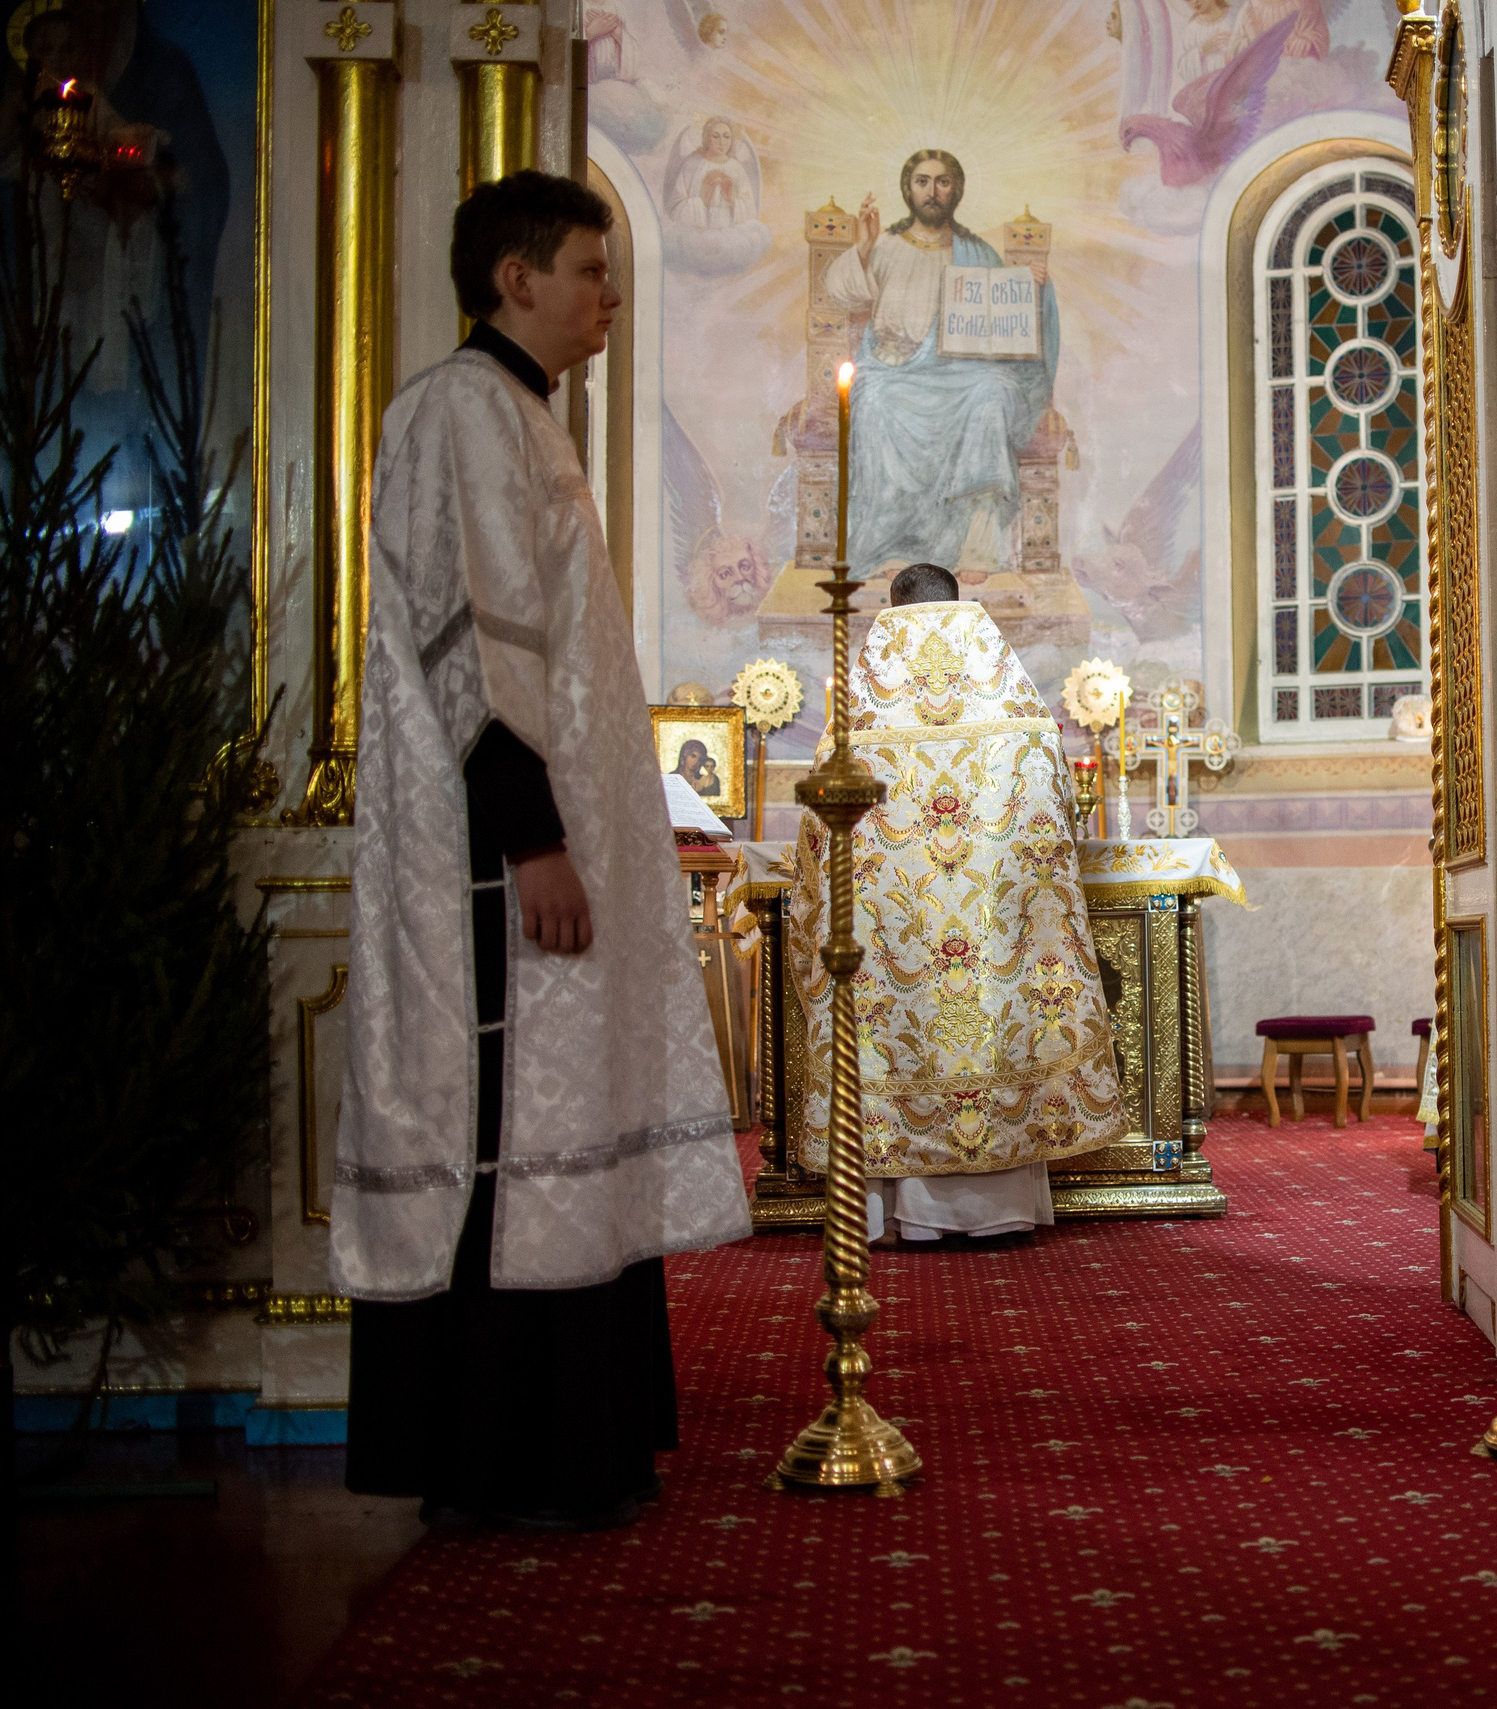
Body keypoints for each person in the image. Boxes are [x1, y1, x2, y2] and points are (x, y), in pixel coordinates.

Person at [337, 170, 752, 1530]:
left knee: (559, 1119)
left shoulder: (519, 416)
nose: (609, 296)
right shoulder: (459, 407)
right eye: (588, 268)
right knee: (504, 1127)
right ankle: (498, 1460)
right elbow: (470, 639)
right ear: (514, 277)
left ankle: (573, 1448)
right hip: (493, 859)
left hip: (536, 842)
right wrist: (530, 840)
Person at [791, 562, 1128, 1245]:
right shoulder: (1022, 724)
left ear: (892, 613)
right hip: (991, 944)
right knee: (996, 1023)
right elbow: (1059, 815)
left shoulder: (855, 732)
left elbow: (815, 844)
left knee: (894, 1030)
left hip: (897, 948)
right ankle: (1000, 1207)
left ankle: (901, 1214)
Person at [823, 150, 1059, 576]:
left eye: (943, 181)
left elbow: (1007, 320)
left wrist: (1033, 286)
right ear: (908, 190)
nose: (933, 191)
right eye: (922, 181)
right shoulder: (887, 247)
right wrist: (863, 245)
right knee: (874, 401)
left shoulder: (976, 252)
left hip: (960, 376)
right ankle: (891, 547)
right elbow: (842, 292)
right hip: (895, 370)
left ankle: (976, 548)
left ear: (957, 190)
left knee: (993, 392)